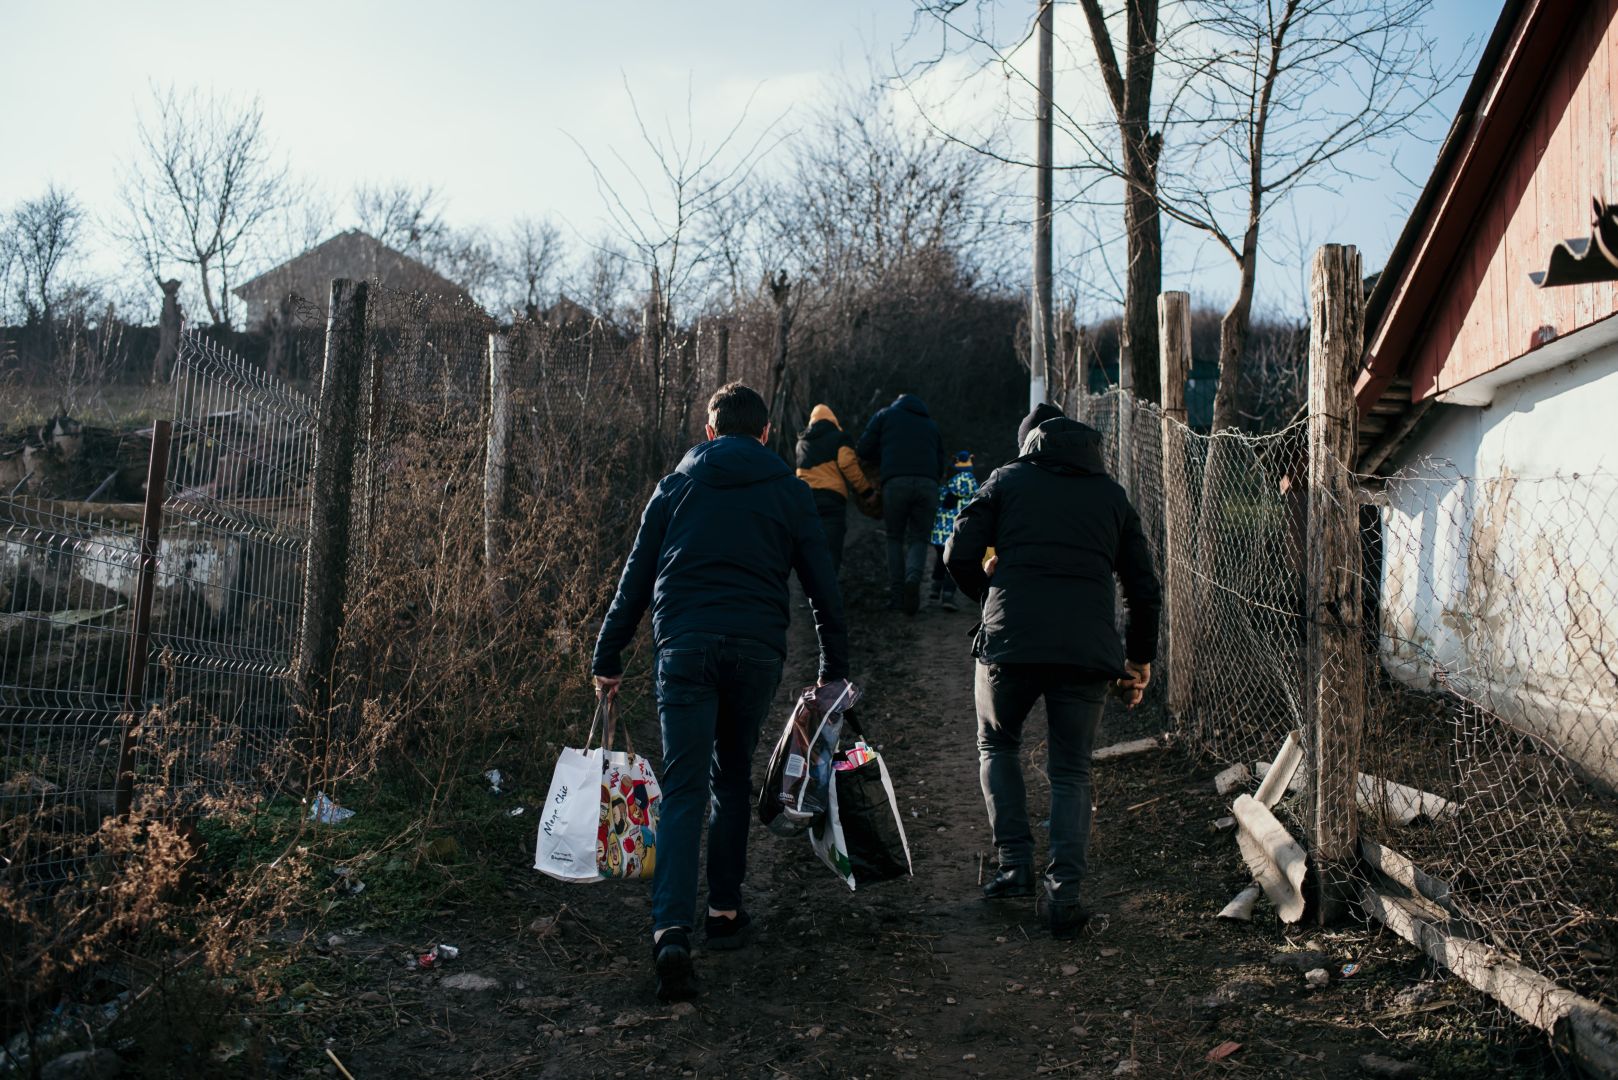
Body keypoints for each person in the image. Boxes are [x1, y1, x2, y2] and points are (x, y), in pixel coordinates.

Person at [592, 382, 849, 1001]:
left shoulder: (675, 487)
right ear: (765, 435)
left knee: (683, 787)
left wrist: (609, 652)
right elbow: (822, 587)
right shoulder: (791, 492)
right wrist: (833, 666)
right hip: (756, 654)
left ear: (710, 433)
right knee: (731, 776)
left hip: (683, 648)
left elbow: (637, 574)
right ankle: (726, 912)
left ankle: (671, 931)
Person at [944, 403, 1160, 939]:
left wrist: (989, 594)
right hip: (1085, 653)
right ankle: (1064, 896)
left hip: (1010, 645)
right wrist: (1138, 661)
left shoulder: (1007, 481)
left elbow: (955, 551)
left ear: (1029, 444)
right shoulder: (1111, 495)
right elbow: (1143, 588)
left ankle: (1014, 866)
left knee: (997, 745)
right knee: (1071, 770)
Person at [857, 393, 946, 614]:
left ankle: (897, 596)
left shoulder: (885, 415)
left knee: (894, 537)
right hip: (927, 485)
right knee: (919, 537)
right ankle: (913, 577)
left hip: (895, 483)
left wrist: (886, 456)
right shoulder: (930, 425)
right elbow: (941, 462)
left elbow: (863, 449)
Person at [794, 403, 878, 573]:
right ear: (833, 420)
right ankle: (826, 595)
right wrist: (866, 491)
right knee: (831, 552)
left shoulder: (801, 443)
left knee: (810, 550)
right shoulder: (839, 438)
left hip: (806, 501)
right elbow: (847, 464)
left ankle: (810, 594)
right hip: (831, 501)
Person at [928, 451, 979, 612]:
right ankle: (948, 596)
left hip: (940, 535)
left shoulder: (945, 489)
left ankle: (934, 589)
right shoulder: (975, 491)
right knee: (953, 564)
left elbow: (936, 507)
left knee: (940, 560)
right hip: (958, 535)